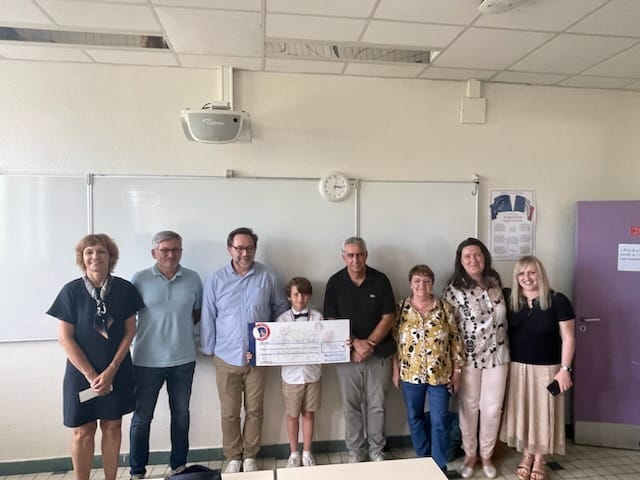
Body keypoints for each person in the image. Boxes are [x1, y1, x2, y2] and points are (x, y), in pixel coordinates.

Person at [47, 234, 144, 480]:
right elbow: (65, 338)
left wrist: (111, 370)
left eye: (101, 251)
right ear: (82, 258)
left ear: (111, 257)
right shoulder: (71, 292)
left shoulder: (125, 290)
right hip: (81, 374)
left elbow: (130, 331)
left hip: (117, 370)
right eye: (89, 252)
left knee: (112, 426)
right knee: (83, 430)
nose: (95, 256)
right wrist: (92, 375)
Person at [200, 227, 288, 473]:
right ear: (230, 249)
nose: (244, 253)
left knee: (255, 410)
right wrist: (208, 348)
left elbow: (281, 309)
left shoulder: (268, 276)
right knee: (229, 413)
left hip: (258, 357)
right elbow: (208, 315)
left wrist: (272, 344)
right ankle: (233, 457)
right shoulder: (216, 279)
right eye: (239, 248)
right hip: (225, 356)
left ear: (255, 249)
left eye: (249, 248)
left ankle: (250, 456)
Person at [129, 231, 203, 479]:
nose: (171, 255)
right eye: (165, 250)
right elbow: (128, 318)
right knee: (142, 418)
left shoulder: (193, 278)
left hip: (183, 359)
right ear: (154, 253)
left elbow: (196, 314)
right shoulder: (139, 279)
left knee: (181, 415)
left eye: (176, 250)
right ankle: (137, 470)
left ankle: (178, 466)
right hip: (146, 361)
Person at [500, 256, 575, 480]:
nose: (527, 278)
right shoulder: (511, 300)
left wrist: (565, 370)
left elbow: (569, 338)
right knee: (523, 412)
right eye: (521, 274)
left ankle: (540, 458)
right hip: (517, 368)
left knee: (543, 414)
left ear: (540, 273)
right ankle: (526, 455)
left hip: (548, 369)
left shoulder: (558, 300)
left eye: (532, 272)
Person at [323, 236, 395, 463]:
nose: (355, 259)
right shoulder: (335, 282)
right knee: (350, 406)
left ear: (366, 255)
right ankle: (355, 451)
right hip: (347, 355)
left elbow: (388, 317)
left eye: (359, 254)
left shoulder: (381, 280)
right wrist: (355, 343)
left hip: (378, 354)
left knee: (377, 406)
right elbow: (331, 318)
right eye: (350, 255)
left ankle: (377, 450)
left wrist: (369, 344)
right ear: (343, 256)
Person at [443, 238, 509, 479]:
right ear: (460, 261)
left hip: (498, 354)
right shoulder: (453, 290)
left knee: (493, 408)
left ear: (485, 257)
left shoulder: (495, 283)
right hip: (467, 358)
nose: (473, 259)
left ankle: (487, 455)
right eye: (467, 256)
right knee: (469, 407)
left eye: (477, 255)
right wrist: (454, 365)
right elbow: (449, 330)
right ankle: (470, 455)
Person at [392, 264, 464, 473]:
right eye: (417, 281)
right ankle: (423, 460)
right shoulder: (401, 308)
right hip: (410, 373)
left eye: (426, 281)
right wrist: (395, 370)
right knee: (414, 417)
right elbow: (394, 342)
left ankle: (438, 466)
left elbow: (455, 341)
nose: (421, 285)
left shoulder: (444, 308)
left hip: (440, 375)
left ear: (432, 284)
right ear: (410, 284)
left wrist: (457, 372)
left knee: (439, 420)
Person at [277, 277, 323, 468]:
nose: (300, 298)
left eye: (303, 294)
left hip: (313, 373)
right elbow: (277, 347)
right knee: (292, 414)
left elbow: (327, 342)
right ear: (289, 296)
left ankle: (307, 453)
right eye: (296, 294)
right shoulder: (282, 320)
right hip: (291, 375)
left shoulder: (318, 317)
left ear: (309, 296)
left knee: (309, 413)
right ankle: (294, 453)